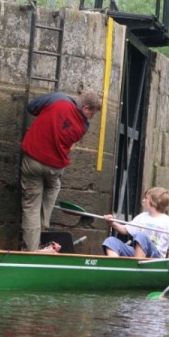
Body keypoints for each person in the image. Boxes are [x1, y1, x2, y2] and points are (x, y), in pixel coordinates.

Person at [20, 91, 102, 251]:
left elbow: (32, 107)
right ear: (85, 108)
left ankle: (31, 250)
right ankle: (43, 226)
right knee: (53, 186)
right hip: (54, 167)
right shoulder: (83, 127)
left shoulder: (58, 99)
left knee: (31, 206)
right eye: (91, 114)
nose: (90, 118)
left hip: (33, 161)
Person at [102, 187, 169, 258]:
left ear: (154, 202)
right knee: (110, 241)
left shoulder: (167, 221)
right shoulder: (142, 216)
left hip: (155, 257)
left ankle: (136, 267)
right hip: (136, 251)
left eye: (146, 198)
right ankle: (117, 266)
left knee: (141, 235)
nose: (143, 200)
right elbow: (125, 230)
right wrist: (112, 223)